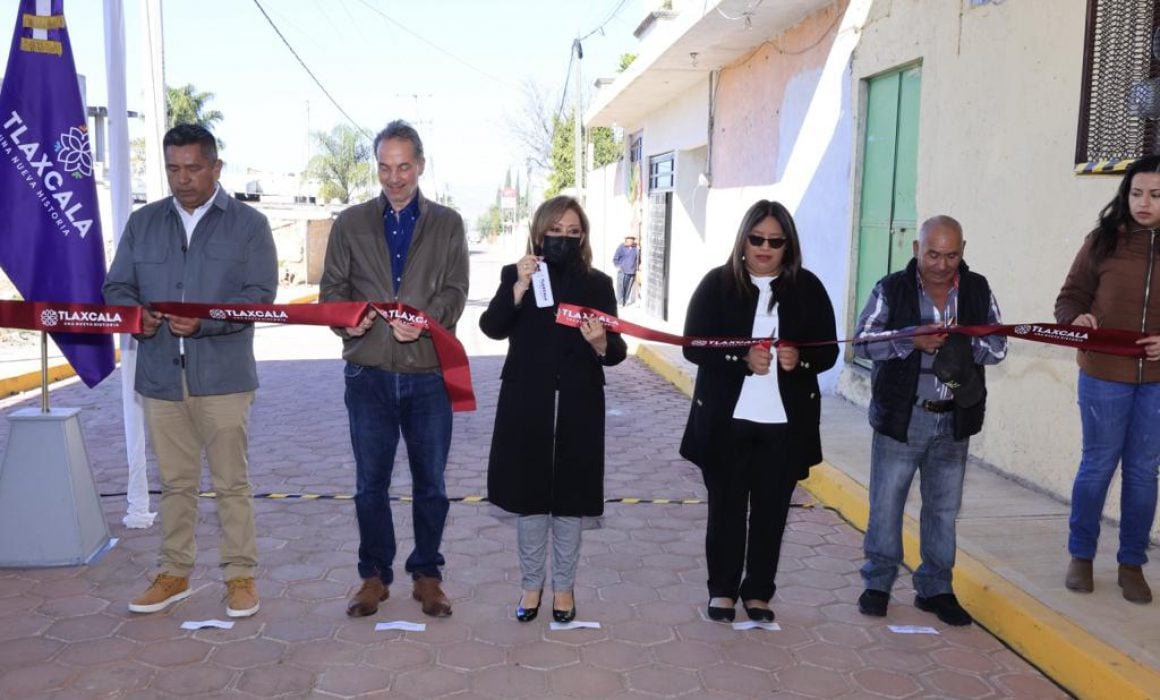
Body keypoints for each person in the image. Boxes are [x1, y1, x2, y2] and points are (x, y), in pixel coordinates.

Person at [104, 124, 278, 618]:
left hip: (224, 378)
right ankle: (174, 573)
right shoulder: (144, 223)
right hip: (159, 378)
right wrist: (137, 319)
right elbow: (117, 288)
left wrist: (206, 322)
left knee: (231, 483)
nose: (183, 179)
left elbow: (259, 297)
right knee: (176, 484)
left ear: (216, 167)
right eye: (173, 169)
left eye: (193, 168)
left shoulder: (248, 224)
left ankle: (240, 576)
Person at [320, 120, 469, 618]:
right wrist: (354, 326)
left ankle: (427, 573)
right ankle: (373, 576)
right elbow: (332, 294)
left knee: (431, 485)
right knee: (370, 484)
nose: (394, 177)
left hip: (428, 373)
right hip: (368, 374)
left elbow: (455, 291)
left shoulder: (448, 224)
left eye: (404, 166)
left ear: (421, 166)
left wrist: (428, 325)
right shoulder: (350, 223)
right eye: (385, 167)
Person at [679, 200, 837, 623]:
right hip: (726, 422)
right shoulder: (717, 284)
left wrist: (798, 360)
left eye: (775, 241)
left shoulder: (809, 289)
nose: (765, 248)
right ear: (743, 240)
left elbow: (826, 352)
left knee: (771, 514)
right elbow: (693, 345)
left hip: (785, 427)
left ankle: (759, 592)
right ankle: (722, 591)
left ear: (788, 246)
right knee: (726, 511)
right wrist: (739, 358)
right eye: (757, 239)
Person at [853, 215, 1006, 626]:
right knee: (886, 504)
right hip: (905, 416)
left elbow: (998, 346)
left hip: (954, 419)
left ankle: (936, 588)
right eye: (933, 254)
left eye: (951, 255)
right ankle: (878, 583)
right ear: (918, 249)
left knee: (942, 509)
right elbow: (863, 341)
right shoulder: (892, 288)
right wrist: (909, 340)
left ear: (963, 251)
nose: (941, 264)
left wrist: (962, 344)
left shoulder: (977, 288)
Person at [480, 196, 627, 623]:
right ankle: (530, 587)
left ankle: (564, 588)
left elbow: (615, 350)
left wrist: (600, 342)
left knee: (569, 500)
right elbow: (492, 328)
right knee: (530, 498)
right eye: (556, 231)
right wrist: (519, 289)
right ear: (539, 232)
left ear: (583, 237)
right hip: (527, 402)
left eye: (573, 232)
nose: (563, 238)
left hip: (580, 403)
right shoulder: (516, 274)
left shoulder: (598, 283)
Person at [1055, 156, 1160, 605]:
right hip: (1102, 374)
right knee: (1098, 464)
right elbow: (1070, 296)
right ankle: (1081, 554)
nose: (1144, 203)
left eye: (1155, 194)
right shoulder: (1102, 242)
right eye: (1136, 193)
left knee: (1142, 471)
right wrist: (1077, 318)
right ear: (1125, 195)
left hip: (1156, 381)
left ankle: (1131, 562)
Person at [611, 235, 640, 307]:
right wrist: (618, 266)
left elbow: (638, 259)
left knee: (628, 287)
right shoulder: (622, 247)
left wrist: (638, 250)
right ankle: (620, 302)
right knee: (621, 287)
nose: (630, 241)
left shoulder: (636, 248)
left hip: (632, 271)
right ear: (626, 240)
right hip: (623, 270)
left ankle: (625, 301)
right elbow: (615, 257)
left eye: (632, 239)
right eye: (629, 239)